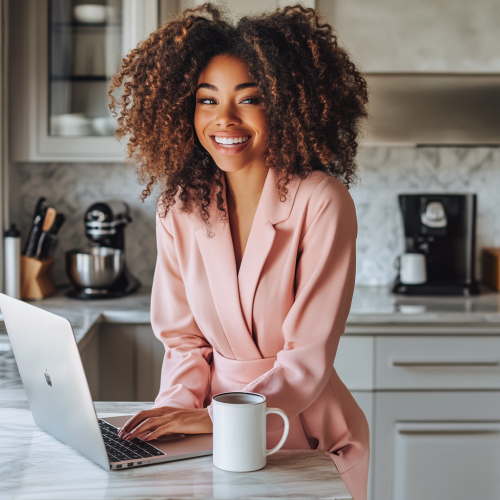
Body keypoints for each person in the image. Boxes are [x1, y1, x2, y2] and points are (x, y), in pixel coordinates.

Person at [109, 3, 369, 498]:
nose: (223, 119)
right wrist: (174, 417)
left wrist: (212, 419)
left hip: (301, 430)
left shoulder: (321, 201)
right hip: (206, 433)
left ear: (287, 105)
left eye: (249, 99)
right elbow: (184, 341)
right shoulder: (179, 206)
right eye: (207, 100)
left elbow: (307, 359)